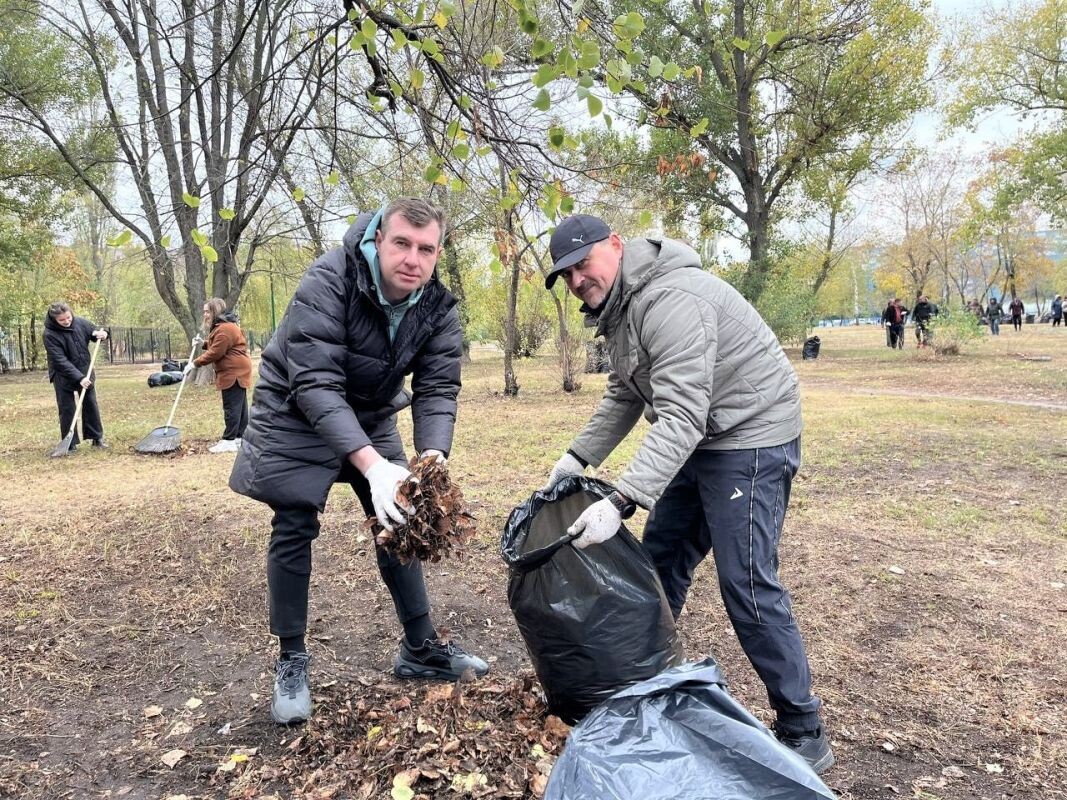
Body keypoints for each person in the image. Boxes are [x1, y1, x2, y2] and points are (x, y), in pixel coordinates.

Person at [538, 215, 832, 774]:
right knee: (659, 561)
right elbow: (626, 393)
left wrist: (622, 500)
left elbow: (681, 413)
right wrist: (578, 457)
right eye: (566, 274)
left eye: (583, 264)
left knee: (745, 581)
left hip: (751, 435)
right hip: (706, 435)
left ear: (616, 247)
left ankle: (803, 727)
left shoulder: (670, 299)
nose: (578, 280)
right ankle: (642, 684)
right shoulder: (621, 309)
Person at [229, 198, 487, 726]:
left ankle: (420, 649)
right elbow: (316, 383)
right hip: (297, 409)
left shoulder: (436, 307)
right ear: (377, 240)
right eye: (402, 244)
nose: (413, 259)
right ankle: (292, 660)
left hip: (369, 414)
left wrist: (429, 461)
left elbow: (439, 386)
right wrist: (372, 467)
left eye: (426, 249)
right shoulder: (329, 279)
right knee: (294, 522)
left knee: (401, 516)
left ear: (437, 254)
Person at [184, 299, 252, 453]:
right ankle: (239, 438)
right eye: (204, 312)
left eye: (207, 311)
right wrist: (203, 342)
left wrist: (194, 364)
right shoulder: (225, 326)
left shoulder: (224, 328)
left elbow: (216, 352)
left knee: (232, 407)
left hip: (233, 371)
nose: (205, 315)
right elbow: (218, 344)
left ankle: (228, 440)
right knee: (240, 407)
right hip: (238, 369)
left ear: (215, 311)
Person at [42, 302, 109, 450]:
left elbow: (94, 332)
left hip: (85, 368)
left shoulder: (80, 322)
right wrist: (79, 378)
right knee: (67, 408)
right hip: (62, 374)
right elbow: (60, 360)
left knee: (90, 403)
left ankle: (96, 438)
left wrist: (102, 334)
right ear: (54, 320)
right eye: (62, 320)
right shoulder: (49, 334)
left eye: (68, 317)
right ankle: (70, 443)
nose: (66, 321)